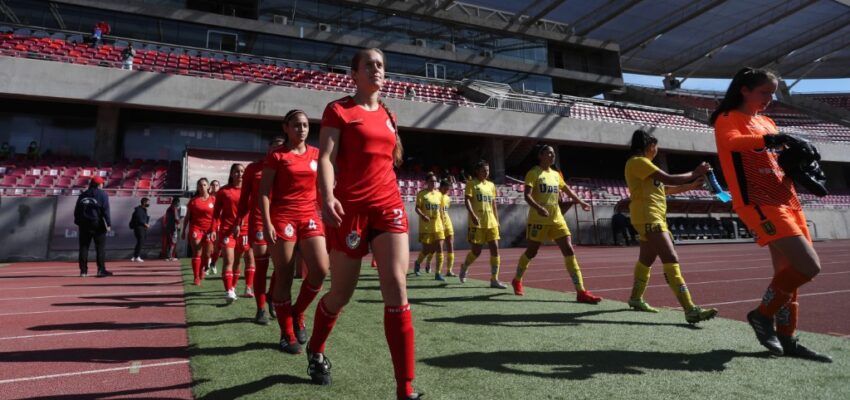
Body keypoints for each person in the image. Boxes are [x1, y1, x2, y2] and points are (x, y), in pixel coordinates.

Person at [309, 48, 420, 399]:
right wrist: (327, 196)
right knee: (341, 293)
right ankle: (315, 348)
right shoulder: (338, 109)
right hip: (351, 210)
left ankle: (405, 388)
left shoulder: (389, 113)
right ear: (353, 74)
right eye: (369, 64)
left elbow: (389, 158)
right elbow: (325, 158)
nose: (377, 69)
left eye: (381, 65)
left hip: (388, 206)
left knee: (397, 284)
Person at [711, 67, 831, 362]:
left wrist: (799, 157)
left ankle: (788, 338)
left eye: (772, 93)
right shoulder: (728, 119)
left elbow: (778, 156)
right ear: (745, 90)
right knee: (808, 266)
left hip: (788, 200)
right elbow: (732, 143)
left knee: (787, 275)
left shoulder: (767, 121)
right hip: (759, 202)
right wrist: (771, 140)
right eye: (764, 92)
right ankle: (761, 315)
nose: (769, 98)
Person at [624, 129, 717, 325]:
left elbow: (665, 189)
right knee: (671, 257)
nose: (656, 150)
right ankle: (690, 309)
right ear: (650, 146)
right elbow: (670, 179)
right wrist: (695, 172)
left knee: (646, 260)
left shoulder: (644, 166)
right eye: (656, 147)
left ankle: (635, 298)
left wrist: (691, 185)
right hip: (649, 217)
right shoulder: (638, 162)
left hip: (650, 216)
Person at [259, 109, 329, 353]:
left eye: (306, 125)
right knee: (284, 275)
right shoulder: (277, 156)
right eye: (297, 125)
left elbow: (321, 189)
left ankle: (298, 311)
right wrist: (267, 223)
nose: (302, 129)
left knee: (320, 269)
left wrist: (327, 212)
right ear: (285, 128)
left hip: (310, 216)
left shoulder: (316, 154)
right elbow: (264, 192)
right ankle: (286, 333)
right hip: (283, 218)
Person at [511, 145, 602, 304]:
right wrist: (539, 208)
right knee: (532, 252)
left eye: (553, 153)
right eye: (549, 153)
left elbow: (566, 189)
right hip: (538, 219)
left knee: (569, 249)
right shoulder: (533, 173)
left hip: (556, 217)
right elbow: (527, 196)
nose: (553, 156)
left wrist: (580, 202)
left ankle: (581, 291)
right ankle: (517, 279)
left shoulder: (555, 174)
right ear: (540, 155)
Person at [239, 136, 286, 324]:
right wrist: (238, 222)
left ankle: (272, 296)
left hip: (282, 220)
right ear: (268, 149)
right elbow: (244, 198)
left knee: (283, 266)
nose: (278, 151)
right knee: (262, 265)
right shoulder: (253, 169)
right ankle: (260, 309)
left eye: (281, 147)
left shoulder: (288, 167)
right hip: (259, 221)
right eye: (274, 147)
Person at [458, 160, 506, 289]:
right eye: (484, 170)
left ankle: (494, 279)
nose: (486, 172)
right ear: (477, 171)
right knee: (476, 251)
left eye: (488, 170)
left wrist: (497, 220)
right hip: (477, 223)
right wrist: (473, 215)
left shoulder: (491, 185)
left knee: (495, 249)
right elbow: (467, 200)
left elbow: (493, 204)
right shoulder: (471, 184)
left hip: (491, 222)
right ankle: (464, 267)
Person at [213, 163, 254, 304]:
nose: (240, 174)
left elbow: (251, 209)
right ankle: (229, 290)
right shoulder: (224, 191)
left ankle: (246, 287)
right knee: (228, 260)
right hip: (227, 231)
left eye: (242, 171)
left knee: (240, 261)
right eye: (236, 171)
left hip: (245, 230)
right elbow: (216, 213)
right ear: (231, 174)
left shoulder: (249, 190)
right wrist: (214, 230)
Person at [74, 176, 112, 277]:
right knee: (100, 248)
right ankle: (101, 270)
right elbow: (106, 210)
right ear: (99, 184)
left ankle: (83, 271)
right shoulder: (102, 194)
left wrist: (78, 222)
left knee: (83, 247)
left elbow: (77, 210)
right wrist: (108, 224)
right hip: (98, 224)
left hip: (84, 224)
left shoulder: (83, 194)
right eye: (102, 183)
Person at [183, 178, 215, 286]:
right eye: (200, 185)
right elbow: (187, 217)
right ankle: (196, 277)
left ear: (208, 187)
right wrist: (183, 230)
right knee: (197, 252)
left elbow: (217, 217)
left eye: (204, 185)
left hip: (209, 230)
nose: (202, 187)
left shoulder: (213, 200)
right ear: (197, 187)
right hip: (196, 229)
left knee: (207, 254)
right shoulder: (193, 201)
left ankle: (203, 269)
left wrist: (214, 229)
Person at [413, 172, 446, 280]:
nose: (434, 183)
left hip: (438, 226)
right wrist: (423, 215)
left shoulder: (439, 195)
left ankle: (438, 273)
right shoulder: (422, 194)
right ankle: (418, 263)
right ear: (426, 182)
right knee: (427, 250)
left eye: (435, 181)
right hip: (426, 226)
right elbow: (417, 208)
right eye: (431, 181)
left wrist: (443, 221)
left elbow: (441, 210)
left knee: (440, 249)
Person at [438, 178, 457, 277]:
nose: (447, 190)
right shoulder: (436, 196)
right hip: (437, 224)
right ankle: (430, 266)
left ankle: (449, 270)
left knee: (450, 245)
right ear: (440, 187)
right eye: (445, 188)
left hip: (447, 222)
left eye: (448, 189)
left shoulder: (447, 198)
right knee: (434, 248)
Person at [207, 179, 222, 275]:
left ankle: (213, 263)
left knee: (218, 247)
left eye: (217, 185)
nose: (215, 187)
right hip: (208, 226)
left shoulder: (223, 198)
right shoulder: (206, 198)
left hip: (220, 226)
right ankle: (206, 265)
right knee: (209, 247)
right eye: (213, 185)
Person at [129, 197, 150, 262]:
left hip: (142, 228)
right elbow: (139, 218)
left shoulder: (144, 209)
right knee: (140, 242)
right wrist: (145, 224)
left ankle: (135, 256)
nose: (149, 204)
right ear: (144, 202)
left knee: (140, 242)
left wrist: (146, 224)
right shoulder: (139, 210)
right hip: (139, 228)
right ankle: (137, 256)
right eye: (148, 202)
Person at [163, 197, 181, 261]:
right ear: (175, 202)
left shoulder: (169, 208)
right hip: (173, 228)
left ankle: (169, 256)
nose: (178, 204)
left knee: (170, 242)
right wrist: (179, 224)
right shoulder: (174, 209)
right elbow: (176, 218)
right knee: (173, 242)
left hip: (169, 227)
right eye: (178, 202)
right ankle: (170, 256)